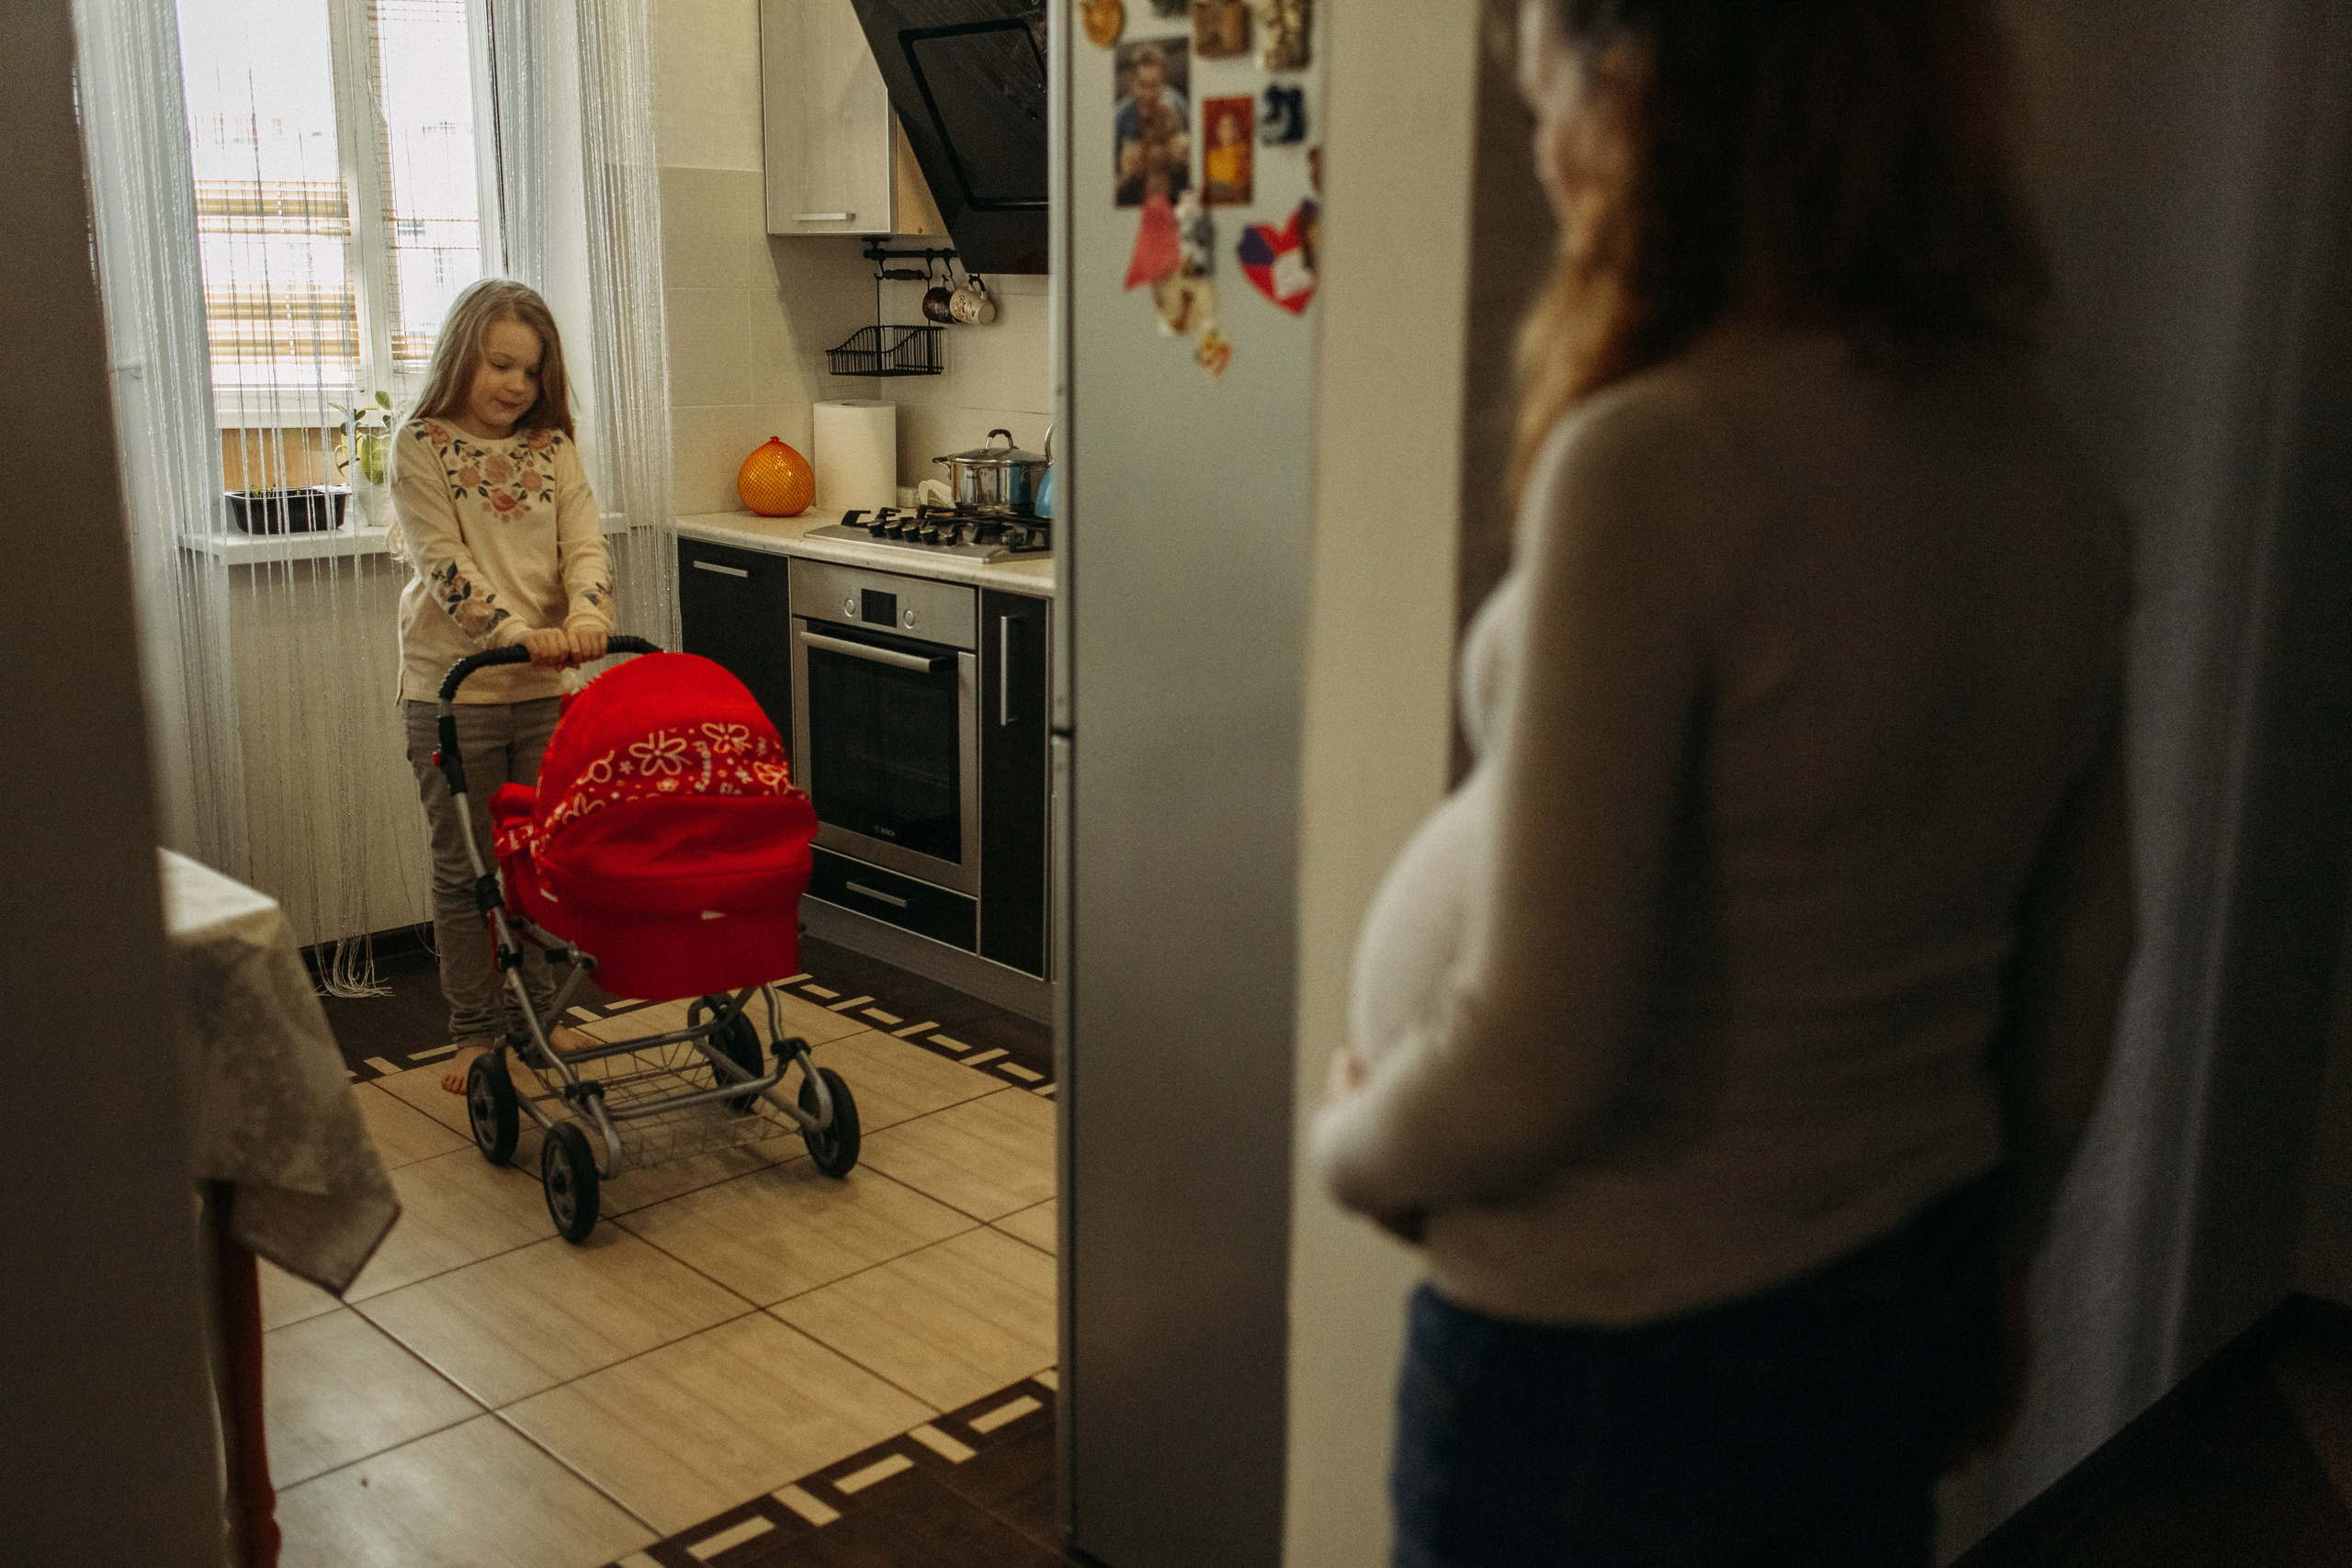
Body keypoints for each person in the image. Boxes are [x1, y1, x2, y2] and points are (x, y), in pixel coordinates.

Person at [1311, 3, 2135, 1565]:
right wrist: (2000, 1268)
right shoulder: (2040, 461)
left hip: (1617, 1368)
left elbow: (1536, 1055)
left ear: (1645, 92)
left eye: (1548, 91)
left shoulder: (1658, 462)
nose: (1547, 149)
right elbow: (2091, 948)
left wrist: (1348, 1139)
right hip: (1890, 1290)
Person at [390, 278, 616, 1095]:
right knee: (468, 871)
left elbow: (584, 544)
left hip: (545, 690)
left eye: (530, 370)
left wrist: (590, 611)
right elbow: (445, 567)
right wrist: (518, 635)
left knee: (540, 863)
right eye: (499, 365)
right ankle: (474, 1031)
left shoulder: (553, 448)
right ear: (462, 358)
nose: (515, 385)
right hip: (455, 693)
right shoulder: (421, 445)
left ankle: (537, 1018)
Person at [1114, 43, 1191, 206]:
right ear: (1132, 83)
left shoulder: (1178, 107)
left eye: (1154, 85)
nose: (1148, 94)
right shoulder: (1119, 118)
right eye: (1142, 85)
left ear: (1162, 83)